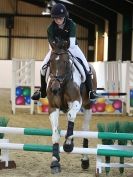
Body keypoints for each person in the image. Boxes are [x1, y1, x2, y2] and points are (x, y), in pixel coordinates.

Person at [31, 3, 98, 101]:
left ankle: (90, 92)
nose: (58, 20)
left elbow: (71, 43)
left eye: (60, 18)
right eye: (56, 18)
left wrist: (63, 49)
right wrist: (57, 50)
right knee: (43, 68)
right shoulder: (50, 28)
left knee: (86, 67)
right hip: (55, 50)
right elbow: (51, 44)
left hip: (72, 48)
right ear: (53, 18)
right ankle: (42, 90)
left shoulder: (71, 25)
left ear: (64, 16)